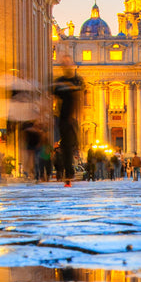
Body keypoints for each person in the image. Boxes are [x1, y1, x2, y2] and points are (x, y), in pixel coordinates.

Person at [51, 55, 83, 187]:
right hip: (62, 117)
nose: (66, 65)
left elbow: (79, 97)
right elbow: (52, 97)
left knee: (71, 145)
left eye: (68, 62)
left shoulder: (77, 80)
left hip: (72, 118)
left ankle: (69, 173)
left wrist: (79, 116)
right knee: (65, 146)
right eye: (64, 63)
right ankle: (68, 173)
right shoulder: (59, 81)